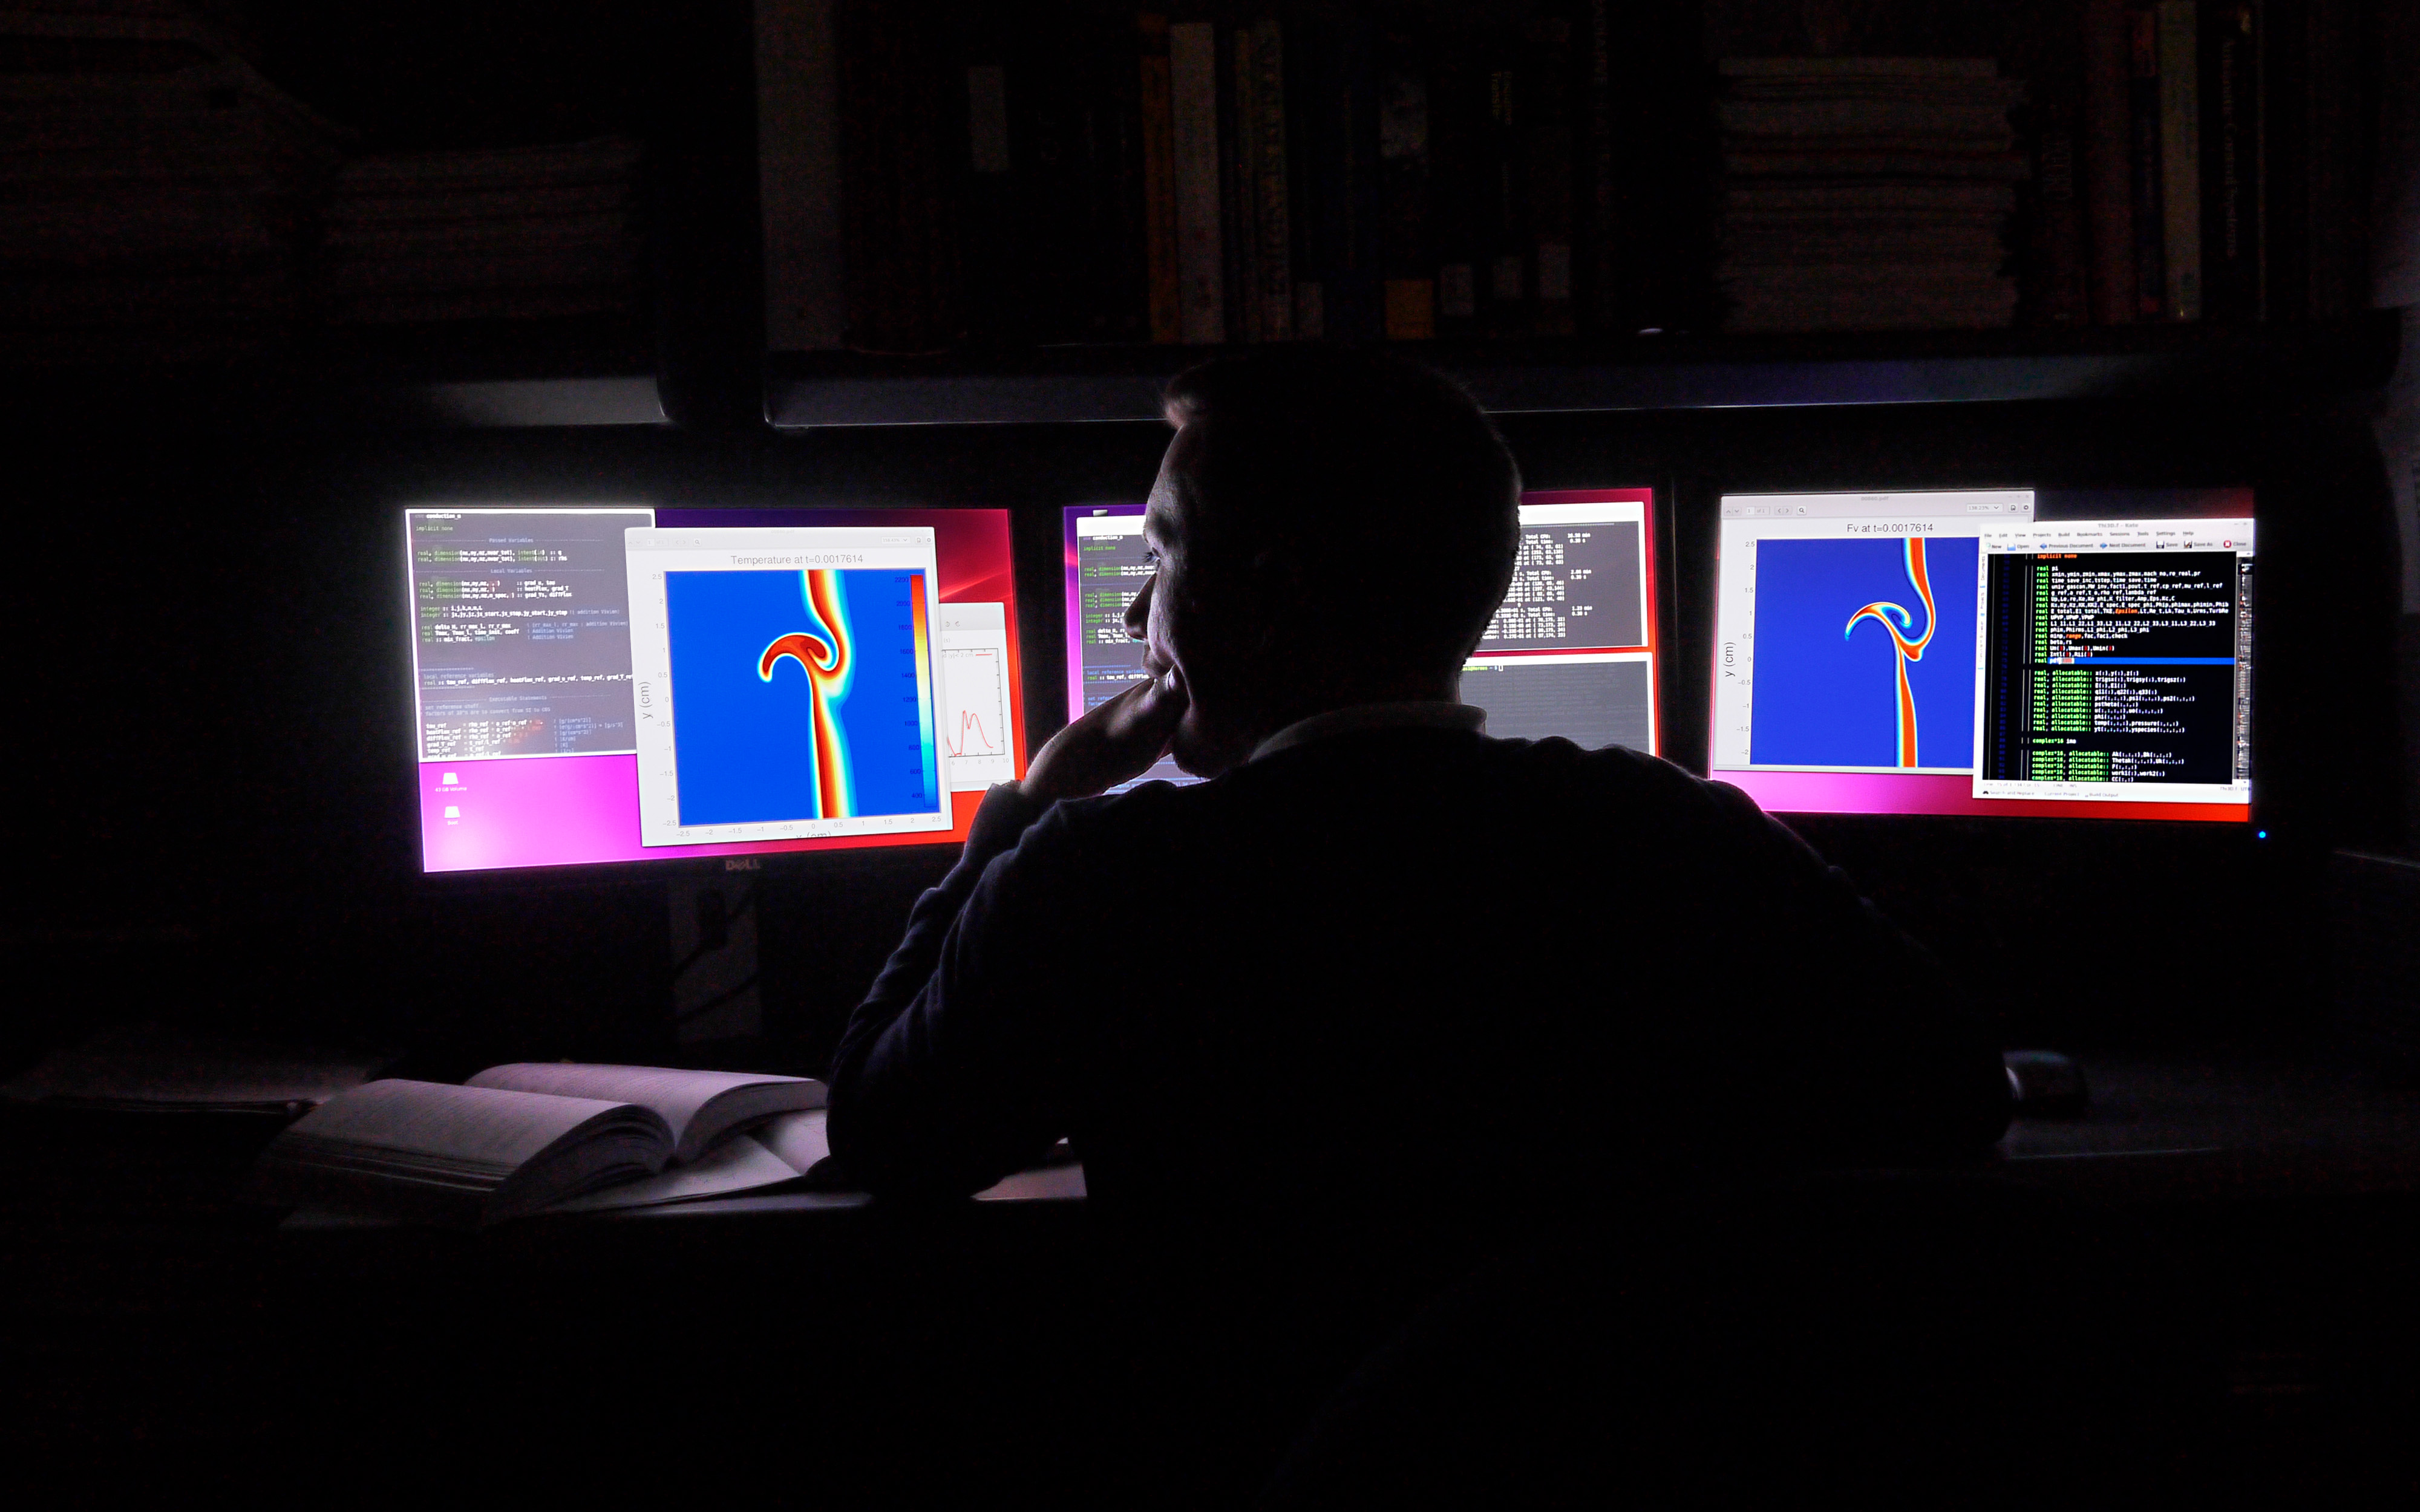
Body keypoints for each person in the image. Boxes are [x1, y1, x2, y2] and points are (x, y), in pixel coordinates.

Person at [827, 347, 2012, 1504]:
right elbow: (1955, 1089)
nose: (1141, 607)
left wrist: (1024, 810)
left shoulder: (1100, 875)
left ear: (1270, 592)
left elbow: (883, 1133)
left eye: (1161, 558)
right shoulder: (1672, 831)